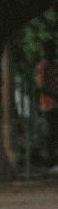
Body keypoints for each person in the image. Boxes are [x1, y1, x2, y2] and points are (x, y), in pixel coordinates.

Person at [36, 40, 58, 168]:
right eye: (51, 49)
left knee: (55, 132)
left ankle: (54, 157)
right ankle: (50, 159)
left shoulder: (54, 66)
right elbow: (41, 86)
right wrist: (54, 96)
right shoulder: (42, 66)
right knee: (50, 132)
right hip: (48, 104)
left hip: (56, 104)